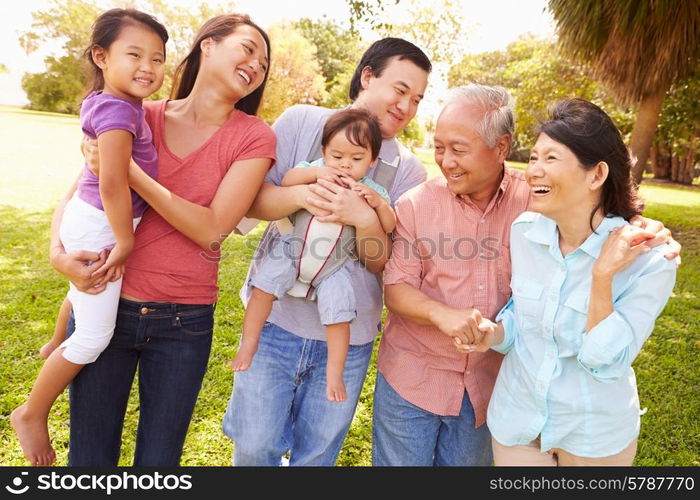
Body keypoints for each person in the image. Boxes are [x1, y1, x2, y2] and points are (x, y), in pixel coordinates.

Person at [374, 84, 681, 466]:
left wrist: (618, 249)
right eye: (439, 147)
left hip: (512, 402)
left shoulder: (537, 206)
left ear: (501, 148)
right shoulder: (514, 225)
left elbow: (604, 358)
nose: (446, 161)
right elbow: (399, 286)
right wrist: (473, 324)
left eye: (459, 149)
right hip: (425, 382)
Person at [48, 13, 275, 466]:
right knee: (90, 459)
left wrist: (128, 171)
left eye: (264, 63)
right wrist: (57, 255)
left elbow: (212, 228)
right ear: (207, 46)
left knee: (159, 462)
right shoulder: (138, 112)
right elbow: (80, 192)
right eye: (248, 48)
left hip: (183, 323)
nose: (256, 64)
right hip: (109, 305)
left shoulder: (254, 137)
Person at [222, 37, 431, 466]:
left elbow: (382, 262)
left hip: (347, 338)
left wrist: (366, 218)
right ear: (368, 76)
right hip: (275, 324)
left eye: (418, 99)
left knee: (316, 457)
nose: (407, 106)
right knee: (255, 446)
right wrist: (304, 196)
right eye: (400, 89)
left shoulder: (410, 171)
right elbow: (249, 202)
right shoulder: (302, 122)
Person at [463, 98, 677, 466]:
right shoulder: (525, 232)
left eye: (551, 158)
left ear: (596, 175)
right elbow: (524, 322)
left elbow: (604, 362)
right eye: (533, 157)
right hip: (518, 424)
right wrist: (494, 333)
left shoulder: (652, 261)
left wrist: (602, 276)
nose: (534, 171)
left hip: (593, 438)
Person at [10, 8, 168, 466]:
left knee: (79, 291)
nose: (148, 67)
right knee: (96, 335)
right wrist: (125, 241)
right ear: (101, 55)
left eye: (157, 59)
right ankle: (32, 412)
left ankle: (52, 344)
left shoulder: (117, 104)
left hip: (92, 217)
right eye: (134, 54)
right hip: (103, 221)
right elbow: (113, 182)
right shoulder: (118, 110)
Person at [230, 108, 395, 404]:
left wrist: (378, 206)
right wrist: (317, 172)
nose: (345, 165)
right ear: (324, 151)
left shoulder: (371, 189)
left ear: (371, 161)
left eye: (356, 159)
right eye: (337, 156)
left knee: (340, 315)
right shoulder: (316, 168)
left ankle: (334, 372)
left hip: (335, 267)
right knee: (263, 288)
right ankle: (249, 343)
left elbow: (391, 224)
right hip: (293, 250)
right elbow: (290, 179)